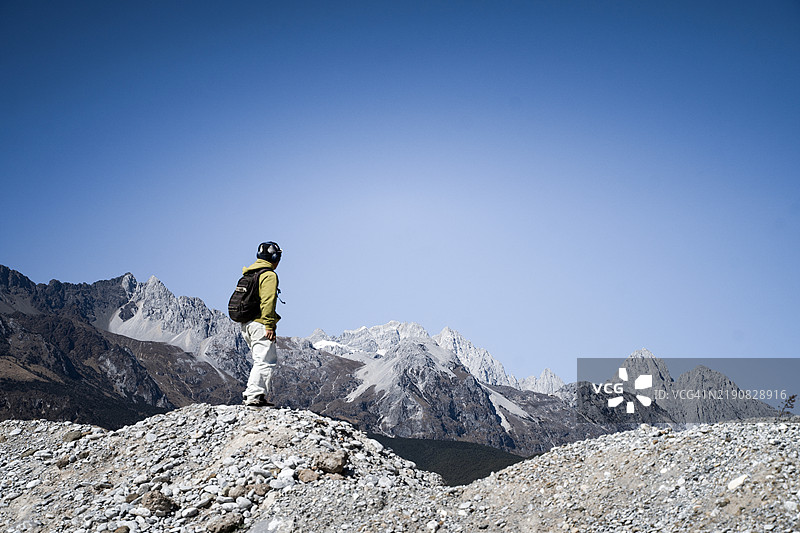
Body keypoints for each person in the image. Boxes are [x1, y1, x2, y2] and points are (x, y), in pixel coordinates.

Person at [240, 241, 282, 406]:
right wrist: (269, 325)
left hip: (246, 324)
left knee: (259, 360)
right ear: (274, 258)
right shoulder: (269, 275)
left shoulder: (249, 274)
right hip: (260, 323)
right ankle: (254, 396)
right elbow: (268, 301)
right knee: (265, 361)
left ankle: (252, 394)